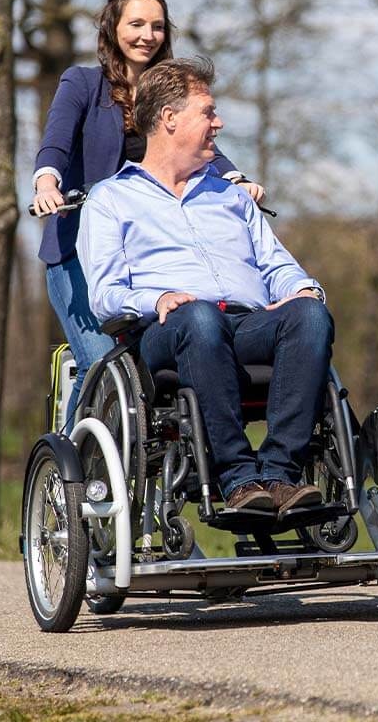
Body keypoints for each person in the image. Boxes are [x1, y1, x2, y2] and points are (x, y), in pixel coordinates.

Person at [77, 57, 332, 514]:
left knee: (311, 314)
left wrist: (302, 288)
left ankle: (278, 475)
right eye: (208, 112)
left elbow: (277, 265)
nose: (220, 122)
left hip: (246, 325)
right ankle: (236, 479)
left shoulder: (231, 195)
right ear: (169, 119)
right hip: (169, 330)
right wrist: (157, 299)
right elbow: (104, 294)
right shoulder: (111, 199)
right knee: (198, 317)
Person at [31, 0, 264, 430]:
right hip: (79, 252)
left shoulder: (171, 92)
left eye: (157, 26)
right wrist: (47, 183)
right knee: (103, 361)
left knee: (152, 370)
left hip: (144, 253)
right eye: (136, 23)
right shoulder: (83, 84)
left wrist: (236, 179)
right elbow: (55, 145)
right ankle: (74, 464)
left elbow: (199, 142)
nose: (147, 35)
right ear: (112, 28)